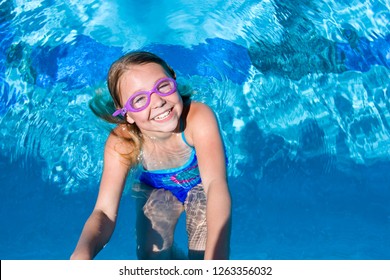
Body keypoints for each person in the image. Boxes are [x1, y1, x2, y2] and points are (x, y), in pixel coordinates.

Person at [70, 51, 231, 260]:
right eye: (139, 99)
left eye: (162, 86)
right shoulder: (122, 142)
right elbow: (104, 212)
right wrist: (82, 252)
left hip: (201, 185)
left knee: (202, 252)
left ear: (173, 79)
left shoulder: (198, 119)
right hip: (157, 188)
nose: (158, 102)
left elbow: (215, 185)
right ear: (126, 113)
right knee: (151, 260)